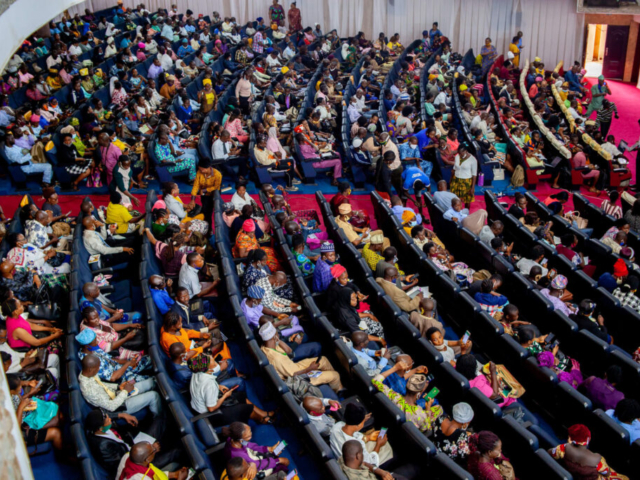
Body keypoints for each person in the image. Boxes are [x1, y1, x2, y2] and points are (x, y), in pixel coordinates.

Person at [259, 321, 343, 393]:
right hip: (298, 379)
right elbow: (293, 375)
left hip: (294, 367)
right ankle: (339, 392)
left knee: (323, 360)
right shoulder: (276, 358)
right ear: (273, 336)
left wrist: (277, 339)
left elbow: (289, 351)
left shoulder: (268, 345)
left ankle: (332, 383)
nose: (278, 333)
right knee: (335, 375)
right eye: (277, 332)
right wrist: (310, 369)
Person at [78, 354, 163, 416]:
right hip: (119, 407)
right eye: (97, 368)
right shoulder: (89, 390)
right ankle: (158, 418)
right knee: (154, 396)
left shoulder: (88, 374)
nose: (98, 369)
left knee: (151, 382)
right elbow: (111, 406)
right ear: (90, 369)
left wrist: (119, 386)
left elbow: (103, 385)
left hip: (117, 393)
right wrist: (125, 391)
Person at [373, 362, 443, 434]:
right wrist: (428, 407)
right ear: (420, 391)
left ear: (406, 385)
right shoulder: (420, 415)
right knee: (439, 408)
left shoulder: (393, 396)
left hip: (384, 428)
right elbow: (427, 428)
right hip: (399, 436)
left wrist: (394, 368)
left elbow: (375, 380)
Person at [549, 424, 629, 480]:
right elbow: (607, 473)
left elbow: (550, 452)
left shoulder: (563, 448)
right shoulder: (598, 460)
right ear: (588, 439)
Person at [330, 402, 393, 469]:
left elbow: (354, 435)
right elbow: (370, 463)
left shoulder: (337, 426)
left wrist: (368, 437)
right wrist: (378, 444)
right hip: (358, 465)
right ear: (357, 425)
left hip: (342, 457)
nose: (363, 423)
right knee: (387, 448)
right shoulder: (356, 445)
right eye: (363, 422)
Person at [8, 375, 63, 451]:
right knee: (56, 433)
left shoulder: (12, 394)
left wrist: (29, 393)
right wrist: (21, 407)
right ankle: (61, 455)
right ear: (10, 391)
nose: (21, 388)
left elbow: (19, 401)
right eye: (19, 387)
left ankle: (63, 442)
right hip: (22, 429)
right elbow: (16, 428)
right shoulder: (5, 406)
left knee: (59, 415)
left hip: (27, 415)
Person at [224, 422, 289, 475]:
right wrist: (278, 460)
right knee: (284, 464)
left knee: (272, 454)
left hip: (249, 457)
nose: (251, 435)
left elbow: (251, 446)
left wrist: (270, 449)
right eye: (248, 436)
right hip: (248, 467)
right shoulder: (239, 455)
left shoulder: (233, 439)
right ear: (241, 440)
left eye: (250, 431)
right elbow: (256, 464)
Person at [116, 442, 190, 480]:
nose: (155, 450)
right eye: (153, 451)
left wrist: (174, 475)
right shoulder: (141, 478)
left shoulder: (127, 455)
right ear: (147, 459)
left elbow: (153, 474)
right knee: (174, 464)